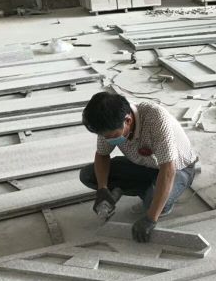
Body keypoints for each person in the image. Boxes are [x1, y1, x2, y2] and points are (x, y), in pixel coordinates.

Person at [80, 91, 198, 243]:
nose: (107, 139)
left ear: (127, 121)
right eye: (104, 136)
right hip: (143, 164)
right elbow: (102, 155)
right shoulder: (108, 124)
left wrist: (151, 219)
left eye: (112, 136)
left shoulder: (156, 119)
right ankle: (147, 189)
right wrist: (102, 189)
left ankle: (153, 194)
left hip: (178, 168)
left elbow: (168, 170)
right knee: (88, 175)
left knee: (153, 205)